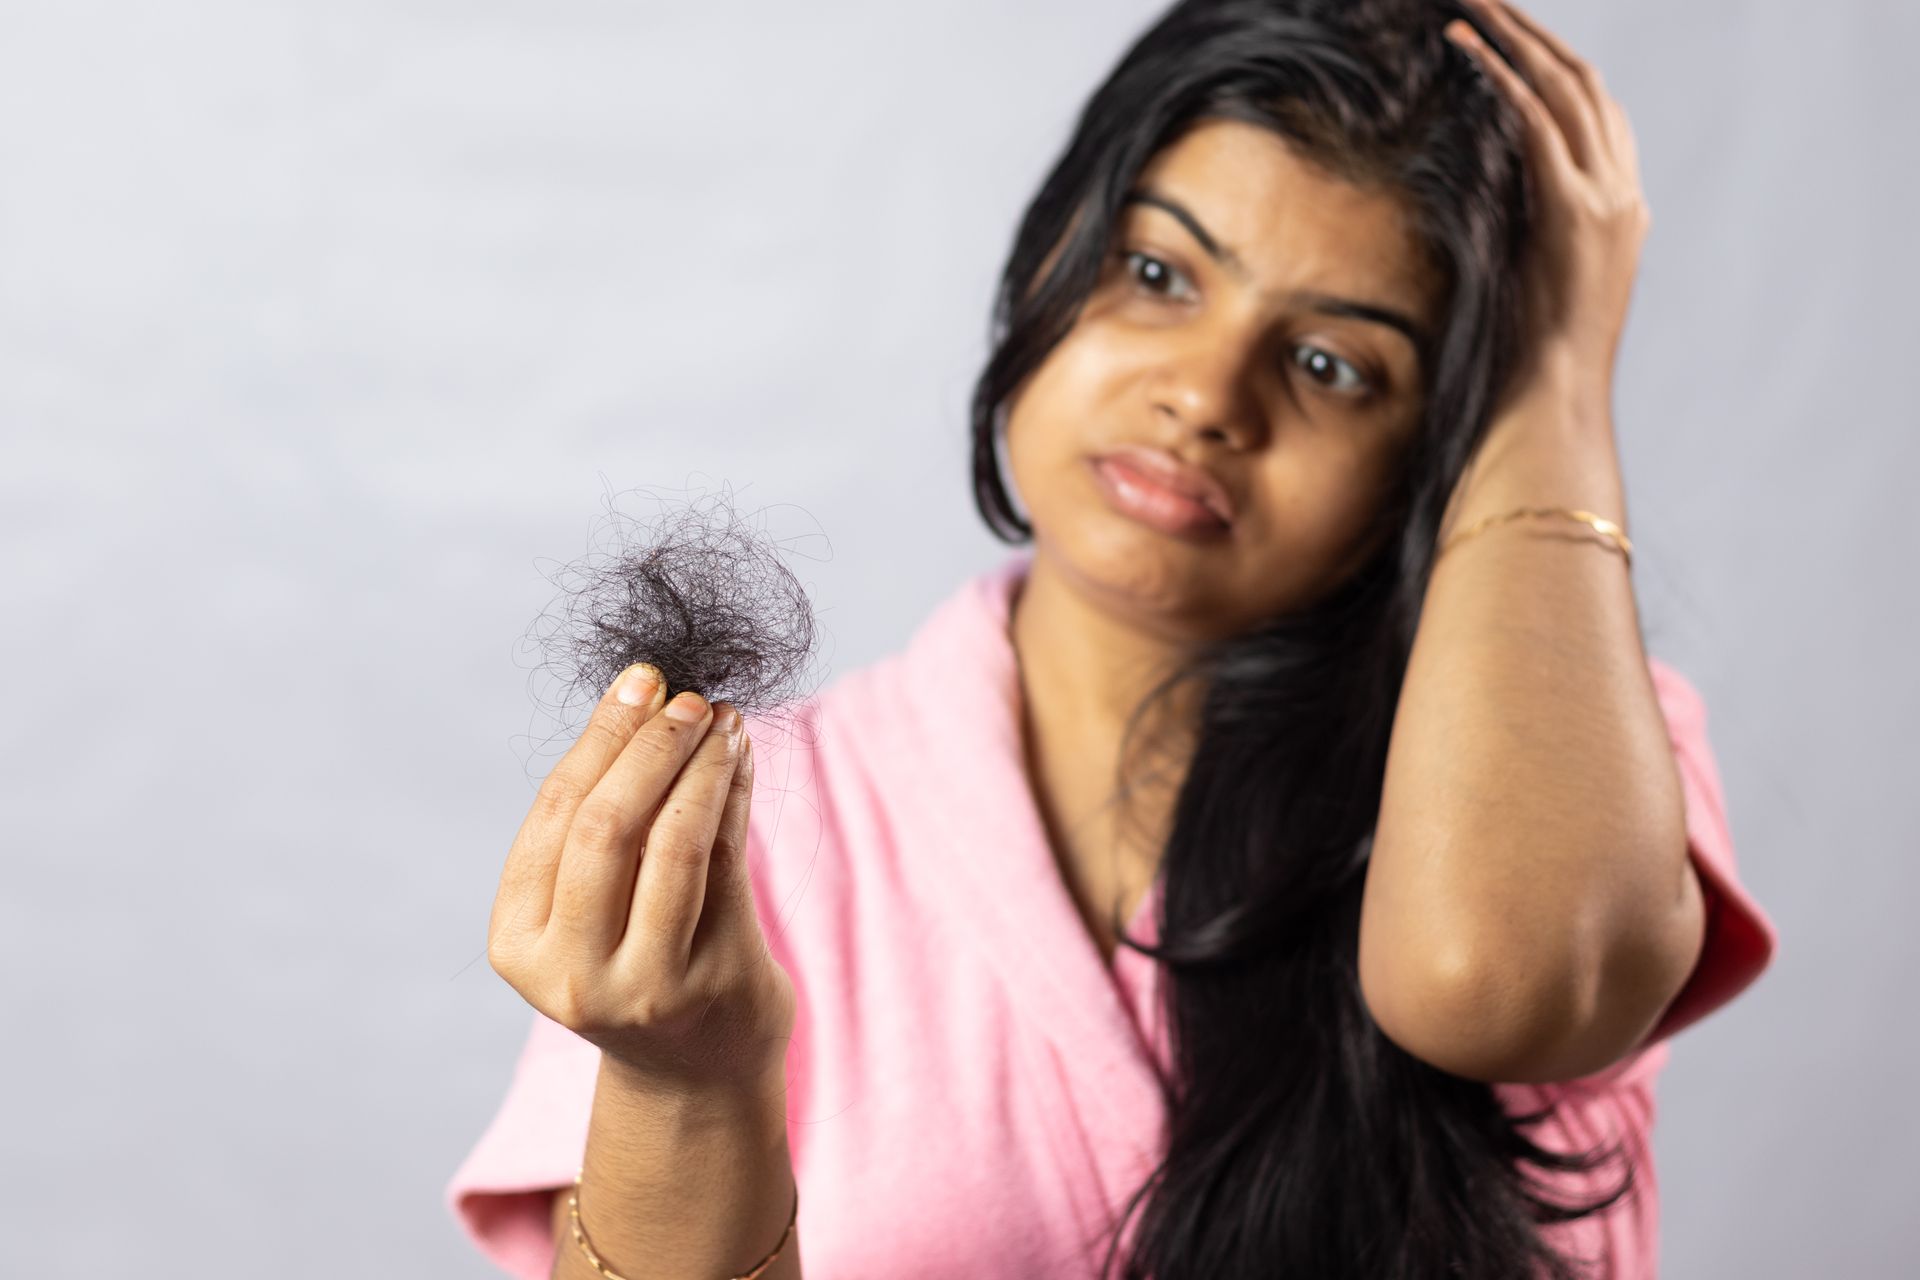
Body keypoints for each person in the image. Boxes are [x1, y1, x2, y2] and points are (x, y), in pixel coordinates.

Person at [447, 1, 1777, 1276]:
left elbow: (1494, 982)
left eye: (1333, 365)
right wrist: (688, 1084)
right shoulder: (759, 824)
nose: (1204, 395)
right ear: (1049, 254)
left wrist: (1554, 364)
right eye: (1156, 274)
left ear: (1445, 448)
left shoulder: (1577, 764)